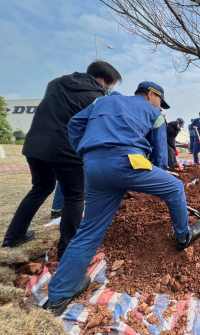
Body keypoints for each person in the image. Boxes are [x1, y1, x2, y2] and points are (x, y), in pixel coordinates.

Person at [44, 82, 200, 316]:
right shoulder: (155, 114)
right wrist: (159, 179)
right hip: (129, 162)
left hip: (94, 167)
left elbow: (75, 123)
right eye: (160, 100)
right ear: (152, 95)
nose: (160, 105)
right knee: (175, 187)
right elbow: (160, 152)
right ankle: (183, 236)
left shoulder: (103, 101)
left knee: (90, 229)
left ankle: (60, 295)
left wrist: (87, 153)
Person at [2, 61, 122, 260]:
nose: (110, 88)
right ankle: (67, 251)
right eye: (111, 84)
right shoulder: (96, 98)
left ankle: (13, 236)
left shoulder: (56, 83)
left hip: (35, 147)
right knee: (75, 196)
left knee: (40, 188)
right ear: (102, 79)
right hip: (65, 151)